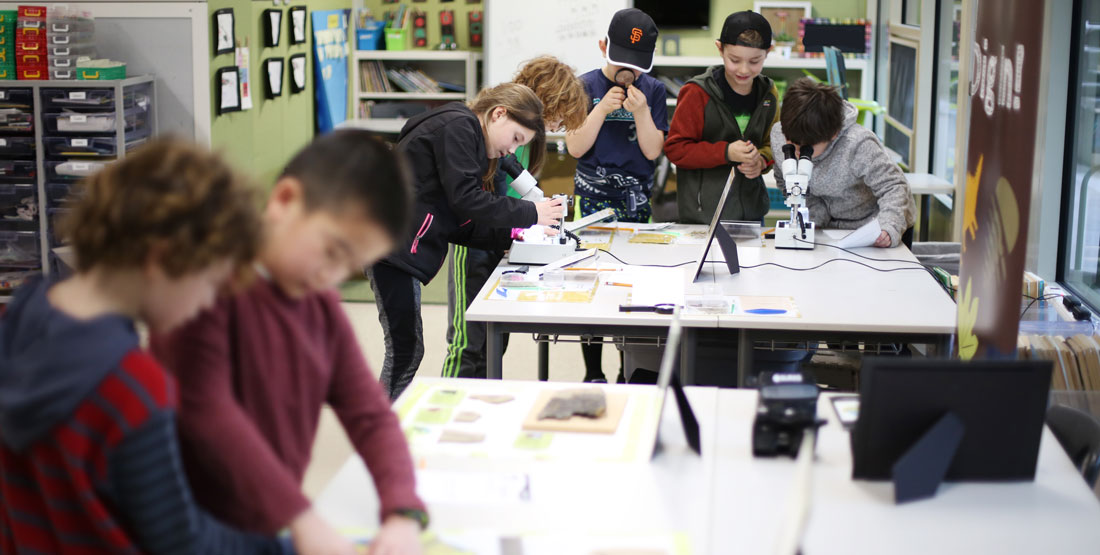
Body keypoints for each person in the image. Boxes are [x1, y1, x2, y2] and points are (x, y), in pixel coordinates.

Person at [0, 139, 290, 554]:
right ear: (161, 258)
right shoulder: (133, 387)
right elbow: (182, 542)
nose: (209, 302)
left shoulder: (22, 313)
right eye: (210, 282)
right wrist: (286, 548)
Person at [151, 131, 427, 555]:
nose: (330, 276)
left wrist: (401, 512)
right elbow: (210, 415)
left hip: (265, 520)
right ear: (284, 200)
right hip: (183, 528)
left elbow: (370, 415)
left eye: (350, 268)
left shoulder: (318, 306)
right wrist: (302, 519)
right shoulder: (202, 285)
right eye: (333, 251)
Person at [372, 83, 565, 399]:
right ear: (498, 113)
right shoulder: (460, 126)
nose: (512, 151)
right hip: (389, 246)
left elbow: (460, 225)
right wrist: (531, 212)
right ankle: (380, 434)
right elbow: (468, 201)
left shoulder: (465, 137)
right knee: (405, 350)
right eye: (515, 139)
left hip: (399, 247)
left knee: (408, 349)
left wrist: (509, 238)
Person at [443, 55, 589, 379]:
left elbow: (517, 188)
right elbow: (478, 201)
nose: (557, 129)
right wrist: (529, 216)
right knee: (468, 344)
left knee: (495, 342)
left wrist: (531, 223)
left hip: (501, 240)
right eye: (558, 119)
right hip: (472, 242)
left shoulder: (524, 141)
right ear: (546, 101)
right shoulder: (488, 133)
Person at [565, 7, 668, 383]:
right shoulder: (584, 86)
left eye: (637, 65)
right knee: (591, 283)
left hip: (635, 205)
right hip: (590, 201)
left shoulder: (653, 90)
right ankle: (593, 371)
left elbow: (653, 150)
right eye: (620, 61)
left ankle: (629, 368)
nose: (629, 72)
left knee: (632, 286)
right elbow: (575, 147)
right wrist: (601, 110)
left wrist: (641, 113)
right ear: (602, 47)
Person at [664, 10, 780, 224]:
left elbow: (772, 144)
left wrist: (761, 161)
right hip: (704, 217)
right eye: (734, 60)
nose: (744, 69)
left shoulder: (769, 93)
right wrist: (726, 152)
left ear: (768, 52)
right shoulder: (697, 93)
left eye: (755, 61)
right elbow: (676, 150)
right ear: (720, 49)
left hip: (752, 215)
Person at [771, 78, 916, 248]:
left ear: (833, 134)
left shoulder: (857, 144)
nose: (796, 151)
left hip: (873, 228)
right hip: (828, 231)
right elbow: (784, 178)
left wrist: (888, 227)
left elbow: (894, 186)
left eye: (806, 149)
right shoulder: (779, 135)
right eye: (791, 142)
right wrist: (815, 217)